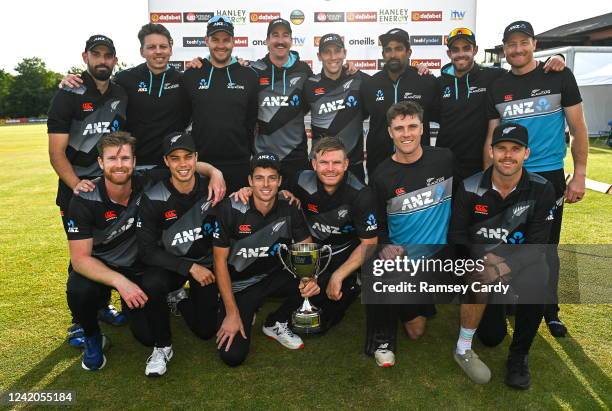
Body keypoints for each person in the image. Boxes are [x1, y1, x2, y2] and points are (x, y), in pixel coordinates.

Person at [65, 131, 222, 371]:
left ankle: (161, 302)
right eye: (112, 159)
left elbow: (184, 165)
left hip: (140, 267)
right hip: (104, 268)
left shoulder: (147, 180)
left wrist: (214, 172)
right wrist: (120, 282)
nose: (119, 165)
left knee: (147, 336)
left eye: (125, 159)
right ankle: (92, 336)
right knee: (79, 288)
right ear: (100, 163)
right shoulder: (85, 198)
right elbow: (80, 260)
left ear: (134, 162)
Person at [484, 20, 588, 337]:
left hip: (549, 177)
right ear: (504, 49)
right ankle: (510, 302)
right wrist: (488, 182)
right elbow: (491, 137)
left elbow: (579, 128)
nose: (516, 49)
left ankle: (549, 312)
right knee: (507, 243)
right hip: (508, 177)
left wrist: (580, 174)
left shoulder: (558, 75)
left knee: (545, 247)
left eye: (522, 43)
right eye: (510, 44)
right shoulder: (498, 85)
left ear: (534, 45)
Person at [449, 123, 556, 389]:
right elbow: (458, 235)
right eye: (502, 149)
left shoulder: (542, 189)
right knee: (492, 337)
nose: (508, 155)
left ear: (526, 153)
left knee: (538, 278)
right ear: (492, 151)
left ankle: (519, 356)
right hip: (484, 262)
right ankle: (485, 319)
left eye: (515, 149)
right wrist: (483, 259)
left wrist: (504, 267)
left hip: (520, 262)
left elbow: (539, 245)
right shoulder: (470, 186)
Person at [366, 101, 463, 370]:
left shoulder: (444, 158)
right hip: (403, 260)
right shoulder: (382, 174)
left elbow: (463, 198)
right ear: (390, 133)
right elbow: (378, 220)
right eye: (399, 128)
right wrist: (384, 245)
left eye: (412, 126)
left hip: (439, 257)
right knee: (416, 330)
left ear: (423, 129)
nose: (406, 133)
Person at [48, 34, 128, 345]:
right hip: (77, 192)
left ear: (115, 60)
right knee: (81, 254)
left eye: (108, 55)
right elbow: (56, 153)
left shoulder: (121, 93)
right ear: (85, 57)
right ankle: (80, 321)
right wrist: (77, 185)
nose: (103, 60)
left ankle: (102, 305)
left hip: (111, 190)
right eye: (97, 55)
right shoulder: (68, 93)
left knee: (109, 246)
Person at [213, 152, 317, 366]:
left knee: (315, 279)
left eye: (272, 178)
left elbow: (306, 247)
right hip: (238, 286)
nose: (266, 184)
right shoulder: (230, 208)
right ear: (250, 181)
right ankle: (241, 310)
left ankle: (276, 322)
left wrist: (310, 278)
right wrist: (232, 313)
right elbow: (219, 262)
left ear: (279, 181)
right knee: (232, 356)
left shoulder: (289, 206)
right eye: (259, 178)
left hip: (270, 278)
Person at [136, 131, 224, 377]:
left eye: (188, 157)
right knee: (152, 282)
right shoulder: (154, 197)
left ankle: (180, 300)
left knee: (206, 331)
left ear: (196, 158)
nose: (182, 164)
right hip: (172, 266)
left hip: (205, 268)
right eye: (175, 158)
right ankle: (162, 347)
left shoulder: (213, 190)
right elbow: (147, 251)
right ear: (166, 161)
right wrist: (188, 268)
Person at [436, 27, 565, 182]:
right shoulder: (437, 84)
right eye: (455, 50)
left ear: (475, 50)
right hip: (446, 167)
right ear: (449, 54)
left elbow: (524, 72)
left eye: (466, 48)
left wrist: (558, 57)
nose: (461, 54)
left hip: (482, 166)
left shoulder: (494, 77)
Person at [60, 24, 191, 170]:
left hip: (171, 165)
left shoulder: (184, 80)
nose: (158, 51)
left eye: (163, 46)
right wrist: (72, 80)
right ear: (142, 51)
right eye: (151, 47)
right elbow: (97, 87)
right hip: (131, 166)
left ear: (171, 50)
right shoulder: (124, 78)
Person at [181, 16, 259, 192]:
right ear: (206, 41)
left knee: (239, 217)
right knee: (203, 218)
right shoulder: (191, 75)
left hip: (239, 164)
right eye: (215, 39)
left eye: (226, 40)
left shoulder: (249, 75)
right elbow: (183, 119)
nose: (221, 45)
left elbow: (251, 120)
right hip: (201, 165)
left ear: (233, 41)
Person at [362, 28, 439, 178]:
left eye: (398, 49)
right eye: (388, 50)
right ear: (383, 54)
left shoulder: (427, 82)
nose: (393, 54)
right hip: (379, 164)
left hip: (419, 165)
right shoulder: (370, 84)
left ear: (409, 52)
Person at [250, 19, 314, 188]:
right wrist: (202, 61)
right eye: (275, 35)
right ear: (267, 41)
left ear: (291, 41)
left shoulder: (304, 71)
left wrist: (347, 71)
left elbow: (319, 94)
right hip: (263, 157)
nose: (280, 40)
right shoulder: (254, 70)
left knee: (298, 208)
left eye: (285, 35)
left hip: (296, 157)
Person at [304, 34, 370, 182]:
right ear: (319, 56)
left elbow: (386, 86)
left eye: (337, 51)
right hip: (321, 167)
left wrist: (417, 69)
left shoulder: (360, 80)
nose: (333, 57)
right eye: (327, 52)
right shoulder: (309, 84)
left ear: (344, 53)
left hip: (353, 166)